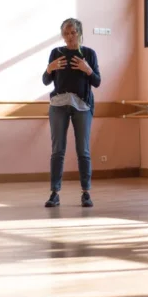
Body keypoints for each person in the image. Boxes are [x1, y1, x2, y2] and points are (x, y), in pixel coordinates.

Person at [42, 18, 101, 208]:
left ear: (80, 33)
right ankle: (54, 193)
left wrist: (88, 70)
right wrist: (49, 69)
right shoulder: (56, 53)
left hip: (82, 105)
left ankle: (86, 193)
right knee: (57, 150)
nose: (69, 37)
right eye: (66, 33)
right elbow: (45, 80)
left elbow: (97, 82)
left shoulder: (89, 54)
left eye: (73, 33)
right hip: (59, 104)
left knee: (83, 150)